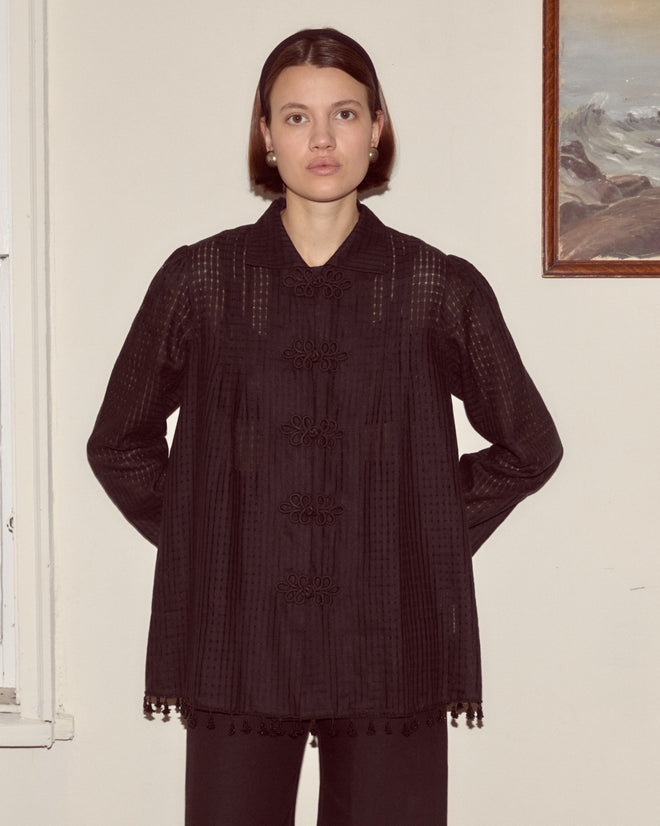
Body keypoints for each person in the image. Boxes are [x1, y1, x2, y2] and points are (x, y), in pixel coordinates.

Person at [87, 27, 562, 826]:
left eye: (344, 113)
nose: (322, 138)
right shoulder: (200, 280)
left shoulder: (433, 287)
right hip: (239, 647)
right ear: (265, 136)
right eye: (297, 117)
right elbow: (119, 443)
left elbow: (529, 446)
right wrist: (216, 538)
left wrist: (423, 526)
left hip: (391, 646)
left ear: (377, 129)